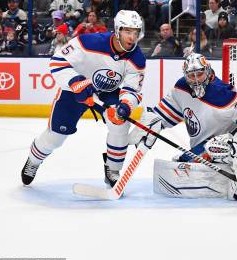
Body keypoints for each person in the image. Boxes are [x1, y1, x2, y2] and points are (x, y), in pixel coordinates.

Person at [21, 10, 147, 187]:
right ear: (117, 30)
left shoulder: (137, 58)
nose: (132, 37)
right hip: (74, 90)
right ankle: (33, 161)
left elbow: (132, 89)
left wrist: (125, 105)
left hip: (108, 92)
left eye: (135, 32)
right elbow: (57, 61)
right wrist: (75, 82)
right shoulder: (89, 41)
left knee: (120, 123)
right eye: (127, 31)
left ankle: (113, 169)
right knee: (56, 136)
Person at [129, 52, 237, 200]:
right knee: (180, 163)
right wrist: (151, 123)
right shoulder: (182, 89)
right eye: (191, 76)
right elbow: (163, 115)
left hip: (223, 147)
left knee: (210, 152)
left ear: (208, 71)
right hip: (201, 147)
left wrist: (235, 149)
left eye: (199, 74)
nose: (195, 80)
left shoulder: (223, 93)